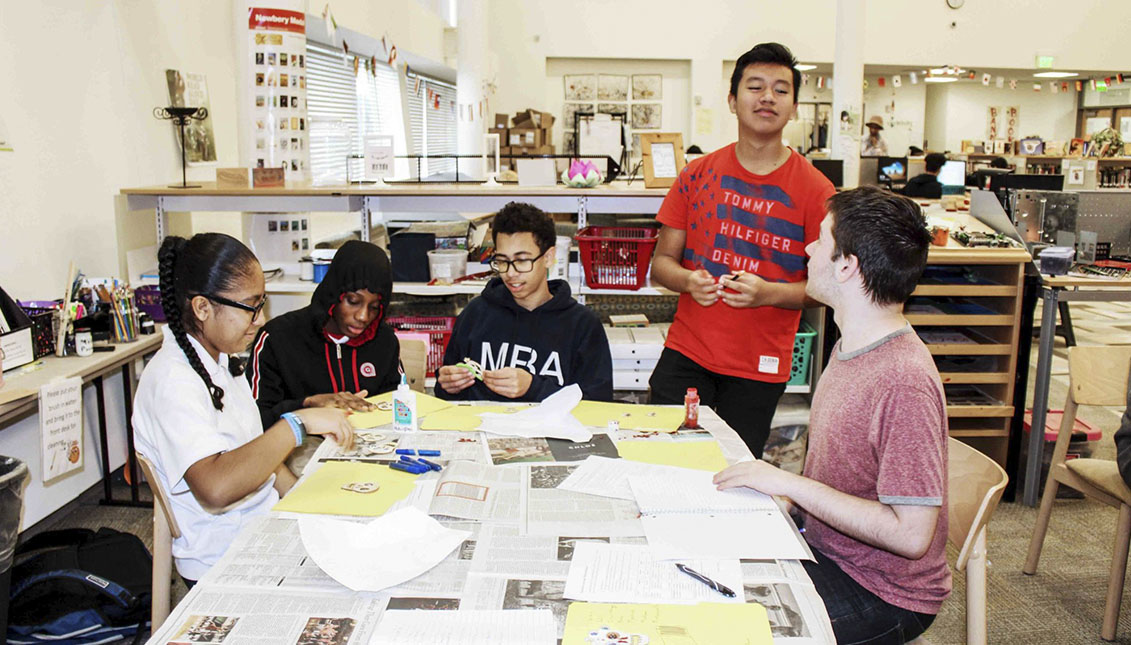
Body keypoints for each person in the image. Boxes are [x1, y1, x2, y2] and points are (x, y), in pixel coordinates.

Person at [714, 186, 949, 643]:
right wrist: (788, 501)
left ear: (847, 265)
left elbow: (912, 535)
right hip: (826, 548)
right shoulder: (851, 343)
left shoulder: (902, 379)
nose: (808, 248)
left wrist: (786, 483)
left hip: (882, 591)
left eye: (821, 239)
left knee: (721, 631)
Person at [648, 42, 835, 457]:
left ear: (795, 107)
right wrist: (688, 280)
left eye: (780, 89)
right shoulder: (696, 176)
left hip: (759, 367)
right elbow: (661, 265)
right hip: (687, 353)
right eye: (755, 86)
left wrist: (768, 293)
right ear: (733, 101)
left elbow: (826, 288)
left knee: (732, 475)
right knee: (661, 460)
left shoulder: (816, 191)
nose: (767, 97)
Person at [133, 234, 354, 585]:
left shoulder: (220, 360)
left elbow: (256, 458)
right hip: (224, 559)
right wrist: (296, 424)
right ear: (203, 308)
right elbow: (216, 489)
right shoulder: (174, 382)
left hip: (258, 529)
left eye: (262, 304)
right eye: (251, 307)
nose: (261, 318)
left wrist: (305, 499)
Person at [437, 202, 612, 402]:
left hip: (551, 431)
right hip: (480, 429)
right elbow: (447, 395)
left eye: (521, 261)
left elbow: (598, 405)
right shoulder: (475, 314)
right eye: (502, 261)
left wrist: (533, 388)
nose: (511, 273)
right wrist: (448, 385)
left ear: (548, 257)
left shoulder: (582, 325)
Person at [247, 240, 400, 430]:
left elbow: (398, 404)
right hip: (296, 451)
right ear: (333, 294)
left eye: (374, 307)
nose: (363, 316)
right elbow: (254, 423)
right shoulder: (276, 339)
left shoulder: (384, 341)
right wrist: (308, 404)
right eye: (353, 301)